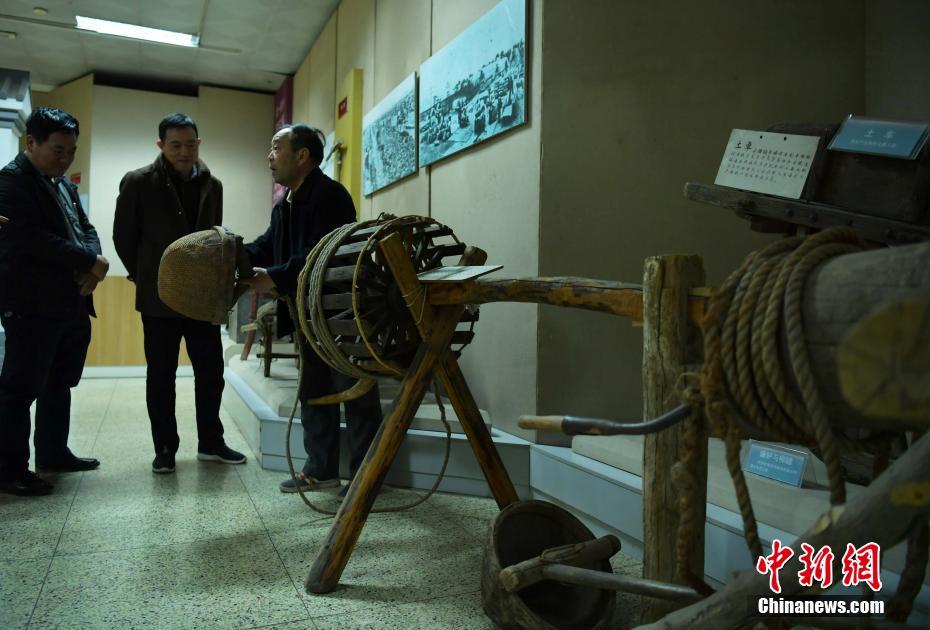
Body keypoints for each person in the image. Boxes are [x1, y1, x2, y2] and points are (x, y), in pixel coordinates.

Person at [242, 125, 382, 496]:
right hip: (309, 314)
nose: (270, 156)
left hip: (341, 311)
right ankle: (321, 469)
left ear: (302, 155)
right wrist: (233, 254)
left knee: (355, 391)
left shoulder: (330, 196)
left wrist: (273, 276)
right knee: (314, 390)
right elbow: (267, 246)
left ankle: (366, 478)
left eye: (277, 148)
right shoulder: (284, 205)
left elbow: (319, 255)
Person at [113, 113, 246, 474]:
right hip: (158, 299)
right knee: (161, 375)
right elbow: (123, 237)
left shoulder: (213, 185)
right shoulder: (138, 182)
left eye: (190, 144)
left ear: (198, 143)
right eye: (175, 145)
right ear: (160, 145)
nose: (183, 151)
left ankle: (211, 443)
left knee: (211, 371)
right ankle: (164, 448)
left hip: (202, 298)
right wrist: (146, 277)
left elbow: (213, 238)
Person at [0, 107, 107, 496]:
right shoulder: (11, 182)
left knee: (59, 382)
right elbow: (31, 239)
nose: (65, 159)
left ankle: (53, 452)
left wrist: (94, 262)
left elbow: (85, 229)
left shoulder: (63, 185)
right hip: (32, 304)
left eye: (71, 151)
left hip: (70, 302)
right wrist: (89, 261)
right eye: (58, 150)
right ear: (32, 143)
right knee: (20, 389)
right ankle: (10, 469)